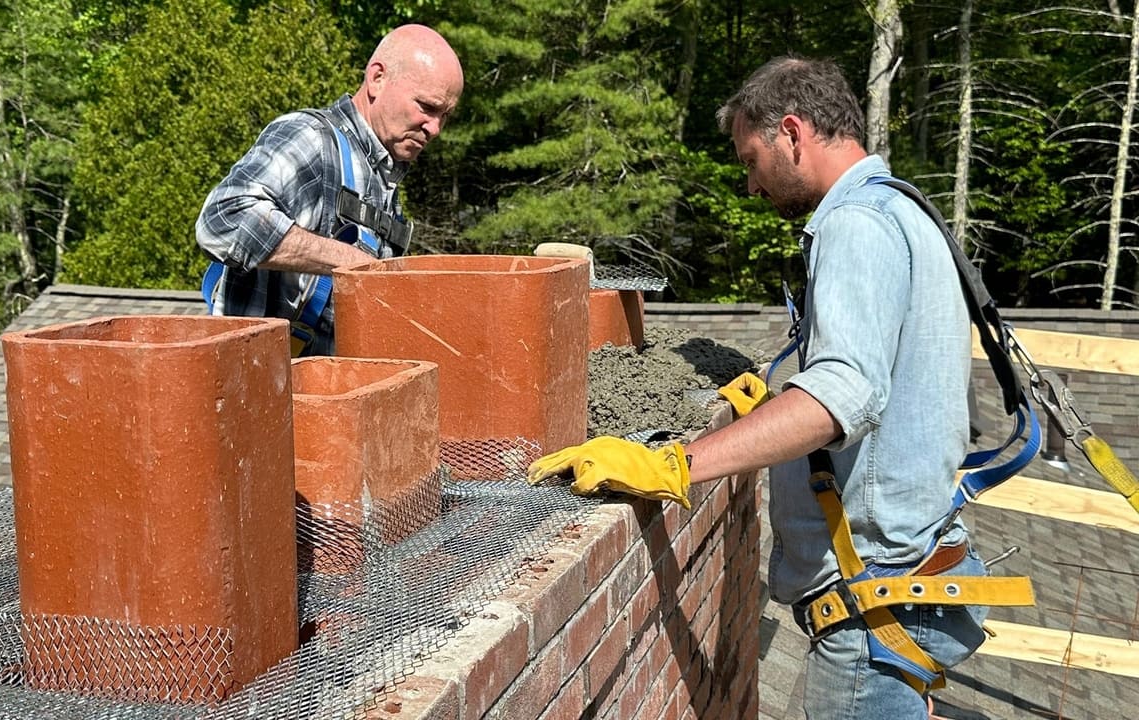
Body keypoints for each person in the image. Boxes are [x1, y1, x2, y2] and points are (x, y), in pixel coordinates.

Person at [528, 56, 1000, 720]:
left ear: (793, 133)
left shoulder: (856, 225)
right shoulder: (904, 209)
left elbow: (847, 393)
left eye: (751, 159)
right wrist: (779, 401)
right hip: (906, 583)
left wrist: (675, 463)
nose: (750, 185)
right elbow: (877, 377)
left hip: (877, 604)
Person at [196, 24, 464, 356]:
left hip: (322, 397)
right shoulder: (312, 139)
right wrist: (352, 261)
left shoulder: (383, 183)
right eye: (427, 107)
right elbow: (221, 220)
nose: (435, 129)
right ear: (377, 78)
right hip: (256, 393)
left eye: (446, 116)